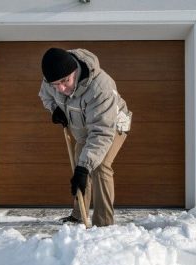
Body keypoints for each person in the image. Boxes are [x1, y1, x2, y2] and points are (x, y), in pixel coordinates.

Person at [39, 47, 132, 227]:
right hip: (82, 126)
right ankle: (79, 213)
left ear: (75, 70)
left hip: (111, 125)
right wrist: (55, 109)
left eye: (65, 81)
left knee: (99, 166)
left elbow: (102, 132)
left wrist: (85, 167)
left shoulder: (100, 87)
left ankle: (104, 224)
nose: (62, 88)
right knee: (79, 165)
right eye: (56, 84)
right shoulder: (51, 81)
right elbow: (45, 95)